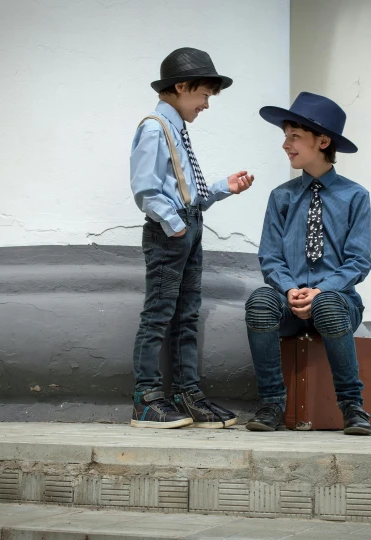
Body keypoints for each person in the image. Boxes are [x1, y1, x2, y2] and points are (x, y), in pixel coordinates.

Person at [130, 47, 254, 429]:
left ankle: (187, 393)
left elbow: (184, 187)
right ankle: (147, 399)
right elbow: (146, 190)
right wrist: (175, 224)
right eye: (203, 95)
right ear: (181, 87)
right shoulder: (154, 128)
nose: (206, 104)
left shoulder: (177, 128)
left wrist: (222, 187)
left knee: (187, 316)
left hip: (187, 224)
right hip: (172, 232)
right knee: (159, 315)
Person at [244, 92, 371, 435]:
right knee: (259, 302)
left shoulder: (355, 196)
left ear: (323, 141)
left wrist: (319, 291)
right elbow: (270, 257)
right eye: (285, 136)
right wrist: (290, 290)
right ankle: (272, 403)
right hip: (289, 300)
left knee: (330, 305)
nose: (286, 144)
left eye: (294, 136)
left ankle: (352, 407)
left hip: (337, 302)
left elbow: (359, 261)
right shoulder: (281, 196)